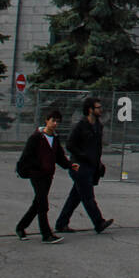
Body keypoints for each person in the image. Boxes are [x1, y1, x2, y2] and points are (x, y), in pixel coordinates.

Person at [15, 108, 78, 243]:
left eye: (57, 122)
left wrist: (70, 164)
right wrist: (32, 169)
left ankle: (21, 227)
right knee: (43, 204)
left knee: (37, 203)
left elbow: (59, 156)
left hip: (48, 175)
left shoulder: (54, 138)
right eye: (53, 121)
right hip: (37, 175)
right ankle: (46, 234)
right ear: (47, 121)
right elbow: (26, 156)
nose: (55, 124)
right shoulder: (36, 137)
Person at [55, 97, 114, 234]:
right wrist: (83, 156)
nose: (100, 110)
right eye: (98, 107)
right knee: (88, 197)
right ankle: (98, 222)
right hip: (79, 166)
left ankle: (61, 223)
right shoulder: (80, 126)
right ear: (90, 110)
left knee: (75, 197)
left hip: (92, 166)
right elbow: (70, 145)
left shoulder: (98, 125)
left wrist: (98, 162)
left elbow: (97, 147)